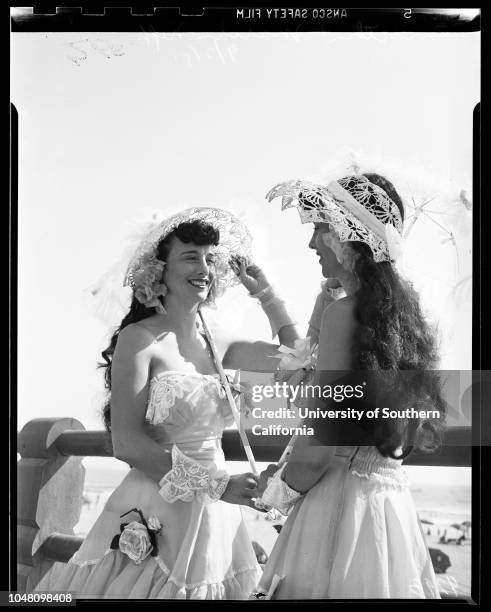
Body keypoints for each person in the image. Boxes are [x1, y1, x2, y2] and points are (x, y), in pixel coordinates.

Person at [34, 207, 299, 599]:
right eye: (191, 256)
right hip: (157, 505)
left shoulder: (222, 343)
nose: (205, 267)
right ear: (159, 271)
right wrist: (218, 485)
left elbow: (298, 359)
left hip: (217, 518)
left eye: (211, 258)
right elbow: (126, 442)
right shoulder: (139, 339)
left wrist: (267, 295)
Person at [252, 173, 446, 599]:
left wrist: (277, 491)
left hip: (338, 508)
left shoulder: (346, 316)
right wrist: (320, 310)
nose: (312, 243)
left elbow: (319, 448)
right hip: (387, 507)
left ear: (350, 236)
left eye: (320, 228)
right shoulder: (402, 321)